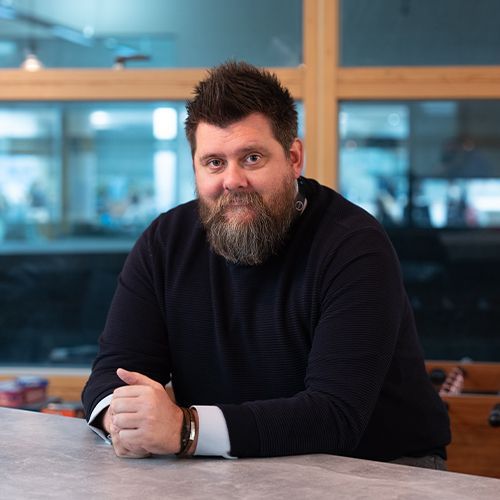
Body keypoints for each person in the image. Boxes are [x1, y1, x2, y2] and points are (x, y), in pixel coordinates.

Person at [82, 61, 451, 467]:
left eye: (252, 158)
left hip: (381, 471)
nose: (233, 181)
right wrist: (123, 421)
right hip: (229, 466)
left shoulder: (354, 245)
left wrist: (185, 429)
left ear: (294, 158)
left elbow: (335, 416)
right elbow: (110, 377)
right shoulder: (164, 242)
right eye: (214, 162)